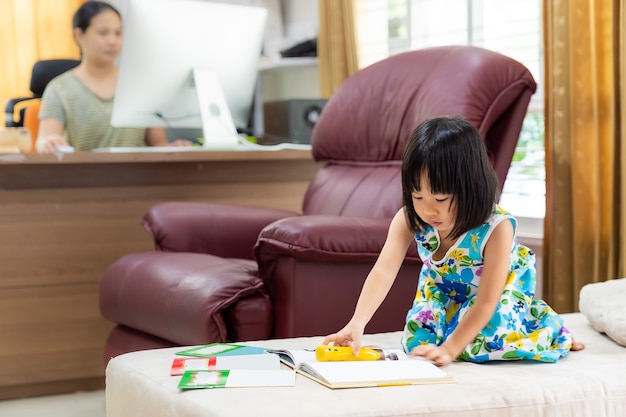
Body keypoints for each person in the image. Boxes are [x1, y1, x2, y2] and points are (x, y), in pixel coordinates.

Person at [323, 115, 584, 366]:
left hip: (496, 291)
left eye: (440, 199)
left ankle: (549, 328)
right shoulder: (408, 219)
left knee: (486, 344)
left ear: (470, 187)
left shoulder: (497, 228)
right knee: (417, 345)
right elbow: (383, 271)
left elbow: (486, 301)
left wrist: (450, 348)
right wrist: (357, 322)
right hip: (443, 289)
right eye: (417, 196)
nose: (428, 210)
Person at [36, 1, 192, 153]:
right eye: (103, 33)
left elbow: (158, 143)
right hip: (85, 176)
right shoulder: (59, 89)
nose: (113, 41)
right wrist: (48, 143)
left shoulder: (139, 85)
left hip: (137, 175)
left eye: (118, 33)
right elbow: (45, 141)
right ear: (79, 36)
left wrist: (174, 149)